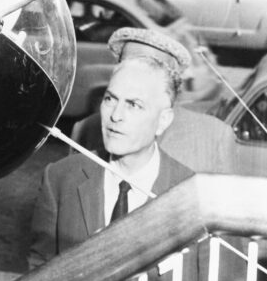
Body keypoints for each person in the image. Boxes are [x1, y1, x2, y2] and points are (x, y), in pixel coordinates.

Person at [29, 54, 202, 281]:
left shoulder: (195, 195)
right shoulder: (60, 179)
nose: (115, 116)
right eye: (110, 99)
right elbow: (39, 276)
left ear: (163, 120)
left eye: (134, 104)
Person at [72, 27, 237, 174]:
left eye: (148, 70)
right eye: (127, 67)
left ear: (170, 84)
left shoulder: (214, 137)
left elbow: (222, 206)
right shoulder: (86, 130)